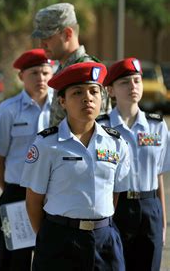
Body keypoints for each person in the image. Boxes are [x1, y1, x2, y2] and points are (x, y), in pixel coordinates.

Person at [21, 62, 130, 270]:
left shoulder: (117, 143)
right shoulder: (47, 144)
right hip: (60, 240)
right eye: (77, 93)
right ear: (62, 101)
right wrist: (49, 237)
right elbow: (33, 200)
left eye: (93, 92)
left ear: (102, 98)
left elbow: (115, 194)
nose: (87, 98)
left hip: (104, 241)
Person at [98, 57, 169, 271]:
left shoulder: (157, 126)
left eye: (137, 80)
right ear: (110, 90)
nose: (133, 87)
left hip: (149, 208)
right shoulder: (101, 128)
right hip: (116, 207)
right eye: (125, 82)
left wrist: (163, 221)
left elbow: (158, 177)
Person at [0, 49, 54, 271]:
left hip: (53, 196)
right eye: (34, 73)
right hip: (16, 195)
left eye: (46, 72)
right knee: (13, 262)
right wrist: (11, 187)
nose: (41, 78)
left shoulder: (61, 109)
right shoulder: (6, 111)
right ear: (21, 76)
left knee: (51, 259)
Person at [31, 2, 110, 126]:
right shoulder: (63, 70)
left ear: (67, 34)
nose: (41, 44)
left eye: (47, 37)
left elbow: (97, 132)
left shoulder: (87, 71)